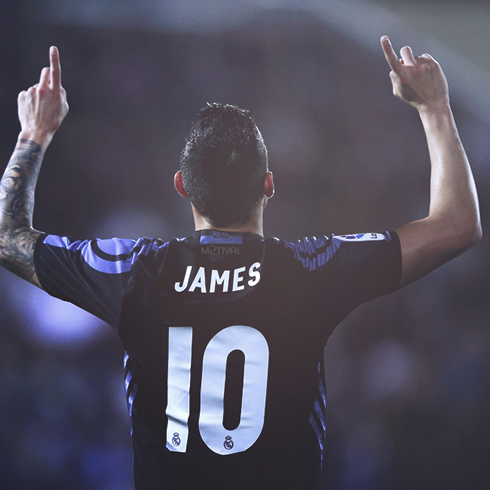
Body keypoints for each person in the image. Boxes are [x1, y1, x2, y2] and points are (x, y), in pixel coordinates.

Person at [0, 36, 481, 490]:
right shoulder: (310, 270)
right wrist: (434, 108)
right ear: (269, 185)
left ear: (182, 185)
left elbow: (8, 239)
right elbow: (457, 225)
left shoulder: (134, 272)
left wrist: (34, 134)